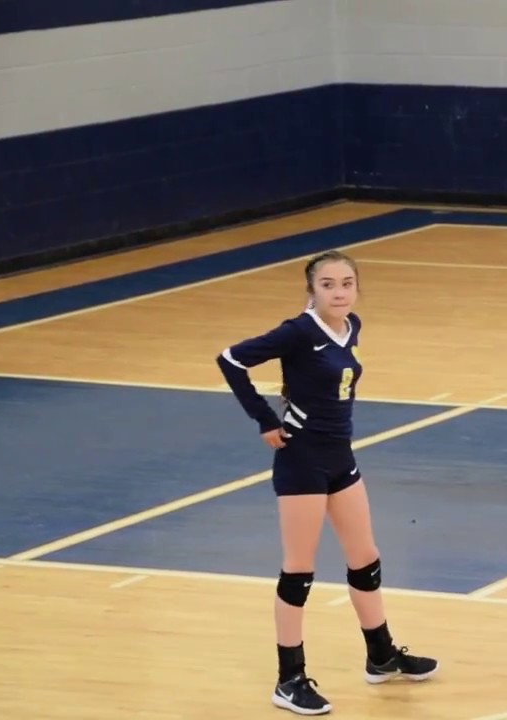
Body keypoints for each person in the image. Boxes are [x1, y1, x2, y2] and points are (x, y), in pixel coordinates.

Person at [216, 250, 438, 716]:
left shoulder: (351, 325)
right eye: (328, 285)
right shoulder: (298, 331)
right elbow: (231, 360)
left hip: (340, 457)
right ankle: (288, 679)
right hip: (301, 461)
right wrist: (264, 419)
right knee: (298, 570)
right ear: (311, 291)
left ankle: (380, 656)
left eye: (347, 283)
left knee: (365, 559)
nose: (339, 292)